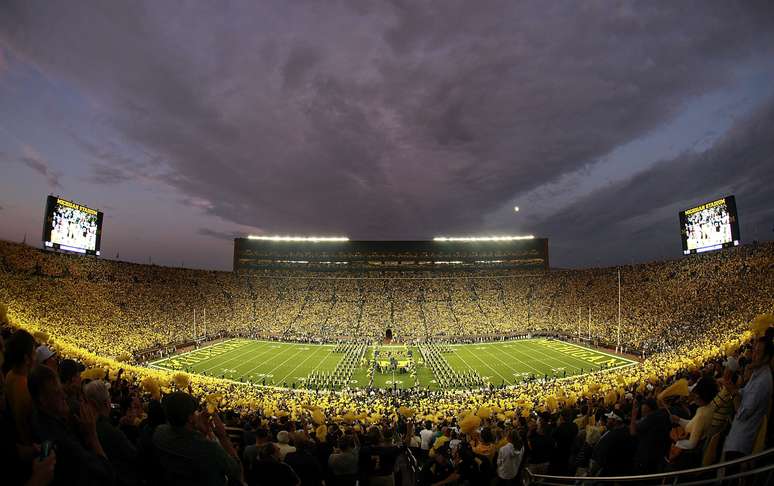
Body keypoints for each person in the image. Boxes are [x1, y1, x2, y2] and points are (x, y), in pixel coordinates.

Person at [28, 364, 115, 485]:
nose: (64, 396)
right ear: (42, 400)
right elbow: (107, 473)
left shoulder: (39, 418)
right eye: (57, 393)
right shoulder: (61, 439)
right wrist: (92, 435)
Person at [153, 391, 241, 486]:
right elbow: (236, 471)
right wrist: (222, 437)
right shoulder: (210, 449)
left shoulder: (159, 432)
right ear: (190, 418)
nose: (198, 414)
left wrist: (202, 432)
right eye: (195, 412)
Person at [722, 334, 773, 460]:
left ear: (766, 357)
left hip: (739, 445)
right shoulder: (757, 374)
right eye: (754, 350)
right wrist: (733, 387)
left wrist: (733, 392)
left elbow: (742, 413)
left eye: (758, 352)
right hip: (735, 438)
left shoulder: (763, 381)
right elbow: (744, 393)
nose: (753, 355)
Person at [83, 380, 139, 486]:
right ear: (106, 403)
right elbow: (135, 456)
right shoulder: (110, 432)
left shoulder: (86, 422)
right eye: (108, 398)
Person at [5, 330, 36, 445]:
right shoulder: (25, 388)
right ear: (26, 359)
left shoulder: (10, 375)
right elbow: (26, 427)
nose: (36, 357)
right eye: (33, 353)